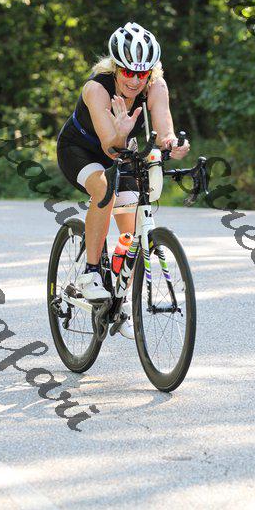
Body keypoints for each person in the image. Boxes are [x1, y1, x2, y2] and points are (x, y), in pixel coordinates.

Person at [56, 21, 190, 338]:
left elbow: (164, 130)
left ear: (150, 72)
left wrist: (172, 144)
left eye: (141, 74)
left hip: (123, 153)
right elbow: (109, 146)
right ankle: (90, 273)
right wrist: (121, 130)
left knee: (131, 232)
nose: (134, 80)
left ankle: (120, 300)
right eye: (128, 72)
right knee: (104, 189)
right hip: (80, 151)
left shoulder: (156, 87)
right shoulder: (96, 89)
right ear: (116, 67)